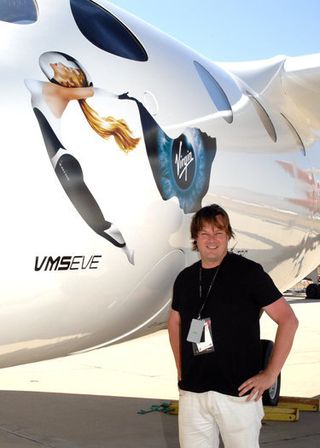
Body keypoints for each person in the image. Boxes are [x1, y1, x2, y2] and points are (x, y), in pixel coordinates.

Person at [168, 204, 298, 448]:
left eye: (219, 232)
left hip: (238, 395)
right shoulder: (185, 279)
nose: (212, 240)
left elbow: (288, 320)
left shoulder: (249, 273)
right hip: (194, 394)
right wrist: (180, 368)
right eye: (205, 233)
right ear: (195, 237)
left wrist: (270, 375)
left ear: (229, 236)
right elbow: (175, 322)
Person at [25, 51, 139, 264]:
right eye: (57, 63)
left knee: (96, 222)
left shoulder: (56, 91)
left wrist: (117, 97)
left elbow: (92, 91)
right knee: (96, 221)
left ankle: (125, 250)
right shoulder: (52, 89)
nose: (56, 64)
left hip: (63, 163)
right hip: (64, 161)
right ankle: (125, 249)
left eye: (61, 64)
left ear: (68, 75)